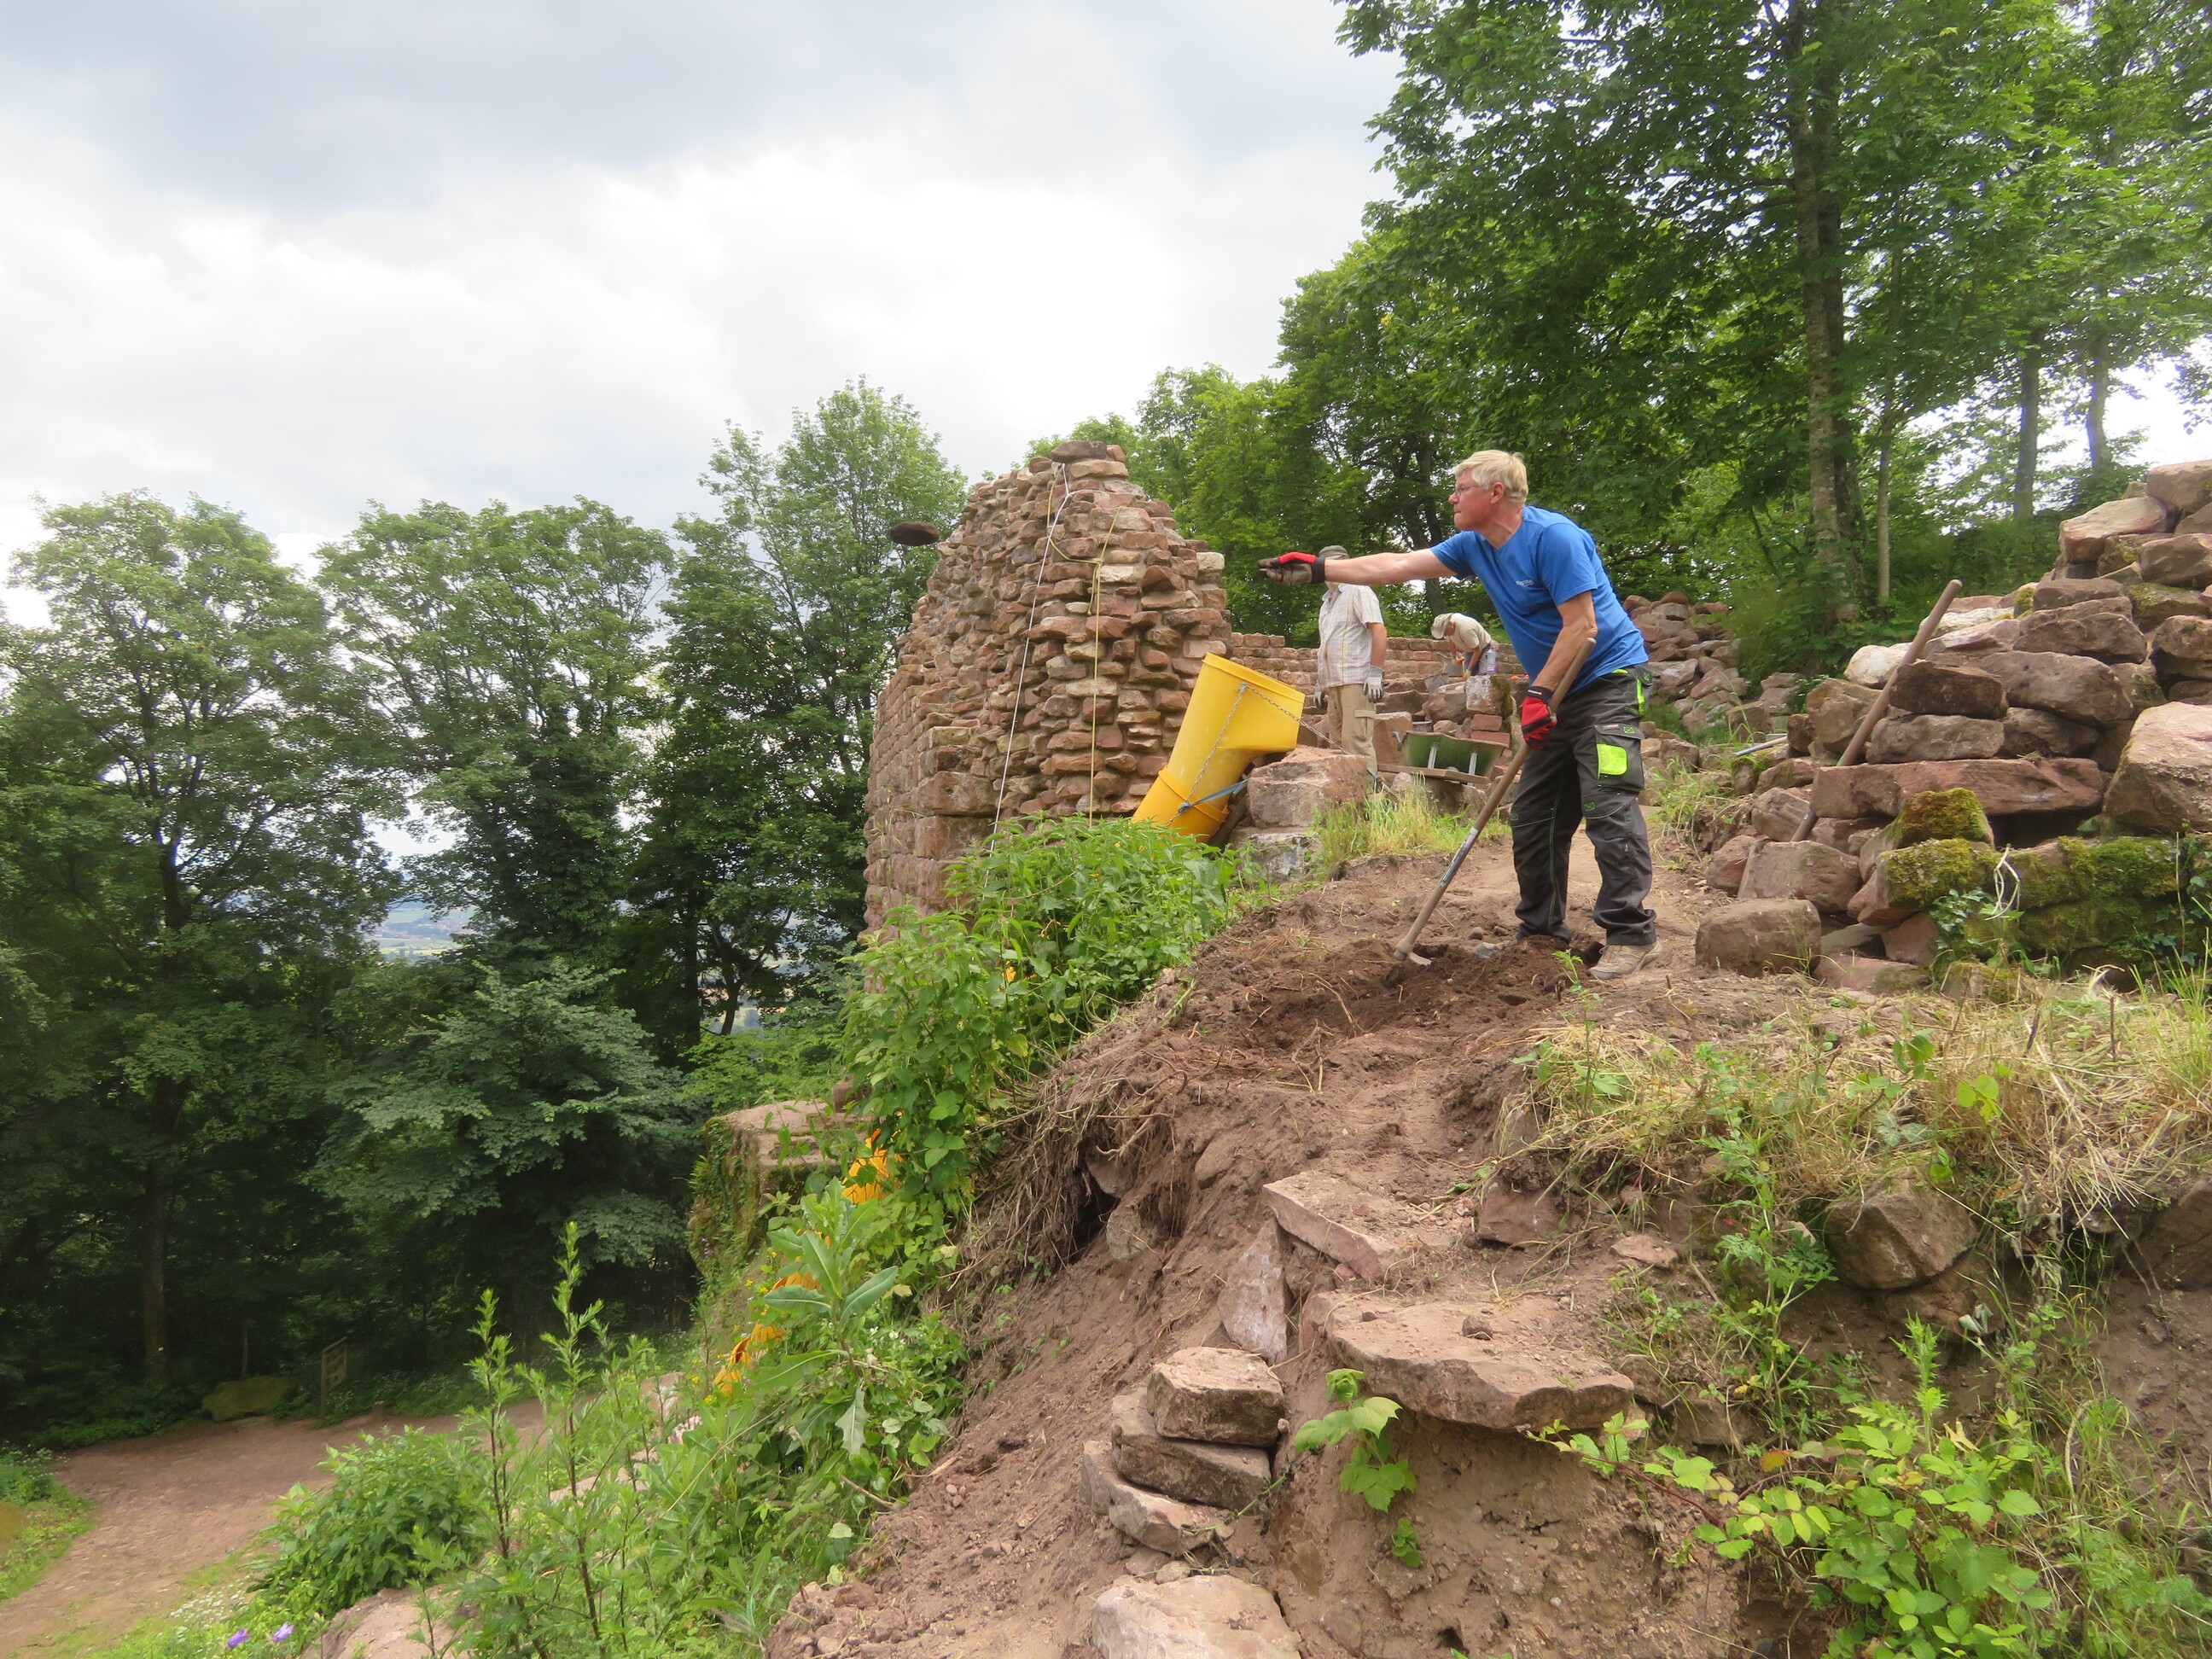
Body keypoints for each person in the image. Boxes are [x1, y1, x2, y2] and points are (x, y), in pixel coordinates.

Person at [1259, 451, 1659, 981]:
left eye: (1460, 487)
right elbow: (1396, 566)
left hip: (1607, 681)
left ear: (1495, 493)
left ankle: (1631, 935)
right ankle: (1542, 932)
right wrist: (1318, 569)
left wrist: (1537, 693)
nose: (1451, 496)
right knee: (1534, 814)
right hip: (1554, 691)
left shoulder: (1554, 539)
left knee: (1607, 803)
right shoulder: (1474, 545)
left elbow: (1583, 626)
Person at [1310, 544, 1387, 765]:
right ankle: (1346, 789)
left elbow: (1379, 630)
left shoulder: (1358, 590)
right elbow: (1327, 645)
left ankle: (1369, 789)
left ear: (1345, 565)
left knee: (1356, 745)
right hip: (1334, 683)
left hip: (1356, 680)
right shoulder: (1328, 603)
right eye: (1326, 567)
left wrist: (1375, 673)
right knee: (1337, 748)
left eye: (1334, 565)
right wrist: (1320, 684)